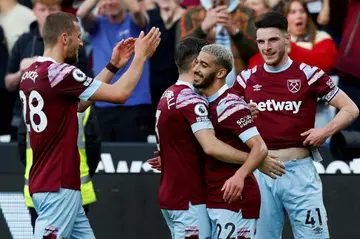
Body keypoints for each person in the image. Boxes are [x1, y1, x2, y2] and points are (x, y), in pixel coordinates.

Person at [19, 11, 160, 238]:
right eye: (77, 36)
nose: (81, 42)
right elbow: (121, 94)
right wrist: (141, 57)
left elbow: (81, 103)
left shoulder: (31, 74)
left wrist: (113, 66)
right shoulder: (62, 73)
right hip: (58, 185)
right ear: (64, 38)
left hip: (49, 181)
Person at [231, 12, 359, 239]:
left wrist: (325, 131)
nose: (266, 47)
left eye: (273, 40)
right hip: (261, 172)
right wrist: (241, 114)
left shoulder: (309, 74)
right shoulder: (246, 78)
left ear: (287, 38)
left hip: (300, 173)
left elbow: (351, 108)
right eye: (261, 41)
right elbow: (222, 121)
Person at [192, 44, 267, 238]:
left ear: (220, 73)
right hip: (213, 196)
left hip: (235, 198)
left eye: (204, 65)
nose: (196, 69)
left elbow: (259, 148)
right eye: (197, 63)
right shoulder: (203, 104)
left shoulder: (230, 104)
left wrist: (240, 175)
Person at [18, 106, 101, 232]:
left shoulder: (30, 104)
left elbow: (22, 146)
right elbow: (93, 148)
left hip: (37, 187)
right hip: (77, 188)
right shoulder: (83, 107)